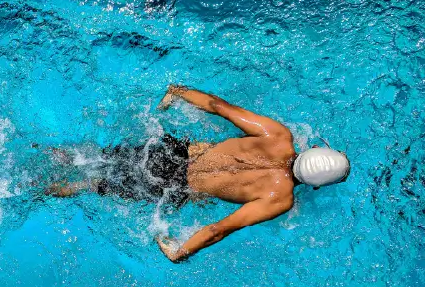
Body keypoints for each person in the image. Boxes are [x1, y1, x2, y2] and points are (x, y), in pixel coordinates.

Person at [46, 85, 350, 262]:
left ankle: (47, 152)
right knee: (91, 185)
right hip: (173, 187)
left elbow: (219, 106)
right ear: (316, 186)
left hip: (171, 152)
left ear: (313, 148)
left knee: (94, 157)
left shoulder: (278, 135)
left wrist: (178, 92)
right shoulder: (280, 199)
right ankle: (38, 189)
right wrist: (181, 252)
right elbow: (219, 229)